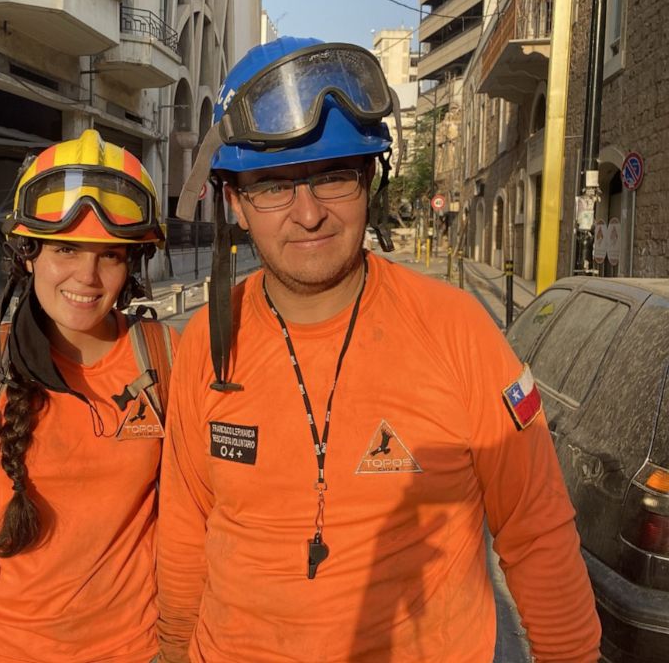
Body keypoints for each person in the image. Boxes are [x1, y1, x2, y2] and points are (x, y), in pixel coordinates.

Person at [157, 38, 601, 662]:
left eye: (334, 177)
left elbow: (536, 531)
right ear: (234, 201)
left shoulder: (456, 330)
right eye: (274, 186)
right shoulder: (208, 342)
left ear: (370, 180)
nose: (308, 214)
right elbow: (185, 528)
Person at [0, 129, 177, 663]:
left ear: (133, 265)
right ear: (28, 254)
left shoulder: (168, 359)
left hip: (138, 650)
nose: (87, 276)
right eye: (66, 249)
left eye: (111, 255)